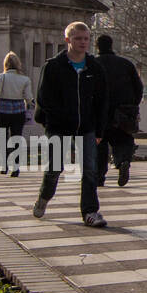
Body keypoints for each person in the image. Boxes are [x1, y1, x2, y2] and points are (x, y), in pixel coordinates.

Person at [32, 22, 108, 227]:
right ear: (68, 40)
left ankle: (90, 212)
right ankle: (44, 196)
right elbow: (44, 99)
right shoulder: (54, 67)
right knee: (55, 168)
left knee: (90, 170)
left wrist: (99, 129)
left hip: (87, 127)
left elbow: (102, 100)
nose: (83, 42)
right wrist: (56, 121)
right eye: (78, 39)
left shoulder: (94, 67)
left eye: (86, 39)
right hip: (59, 127)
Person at [94, 35, 143, 188]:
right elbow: (138, 87)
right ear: (112, 45)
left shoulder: (93, 64)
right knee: (123, 138)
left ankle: (100, 175)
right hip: (123, 109)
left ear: (97, 47)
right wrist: (133, 104)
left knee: (100, 143)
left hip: (99, 109)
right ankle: (123, 161)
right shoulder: (126, 64)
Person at [0, 52, 33, 177]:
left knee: (3, 138)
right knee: (16, 138)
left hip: (3, 110)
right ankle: (16, 168)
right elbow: (28, 97)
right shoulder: (25, 79)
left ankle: (4, 166)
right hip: (18, 111)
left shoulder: (1, 77)